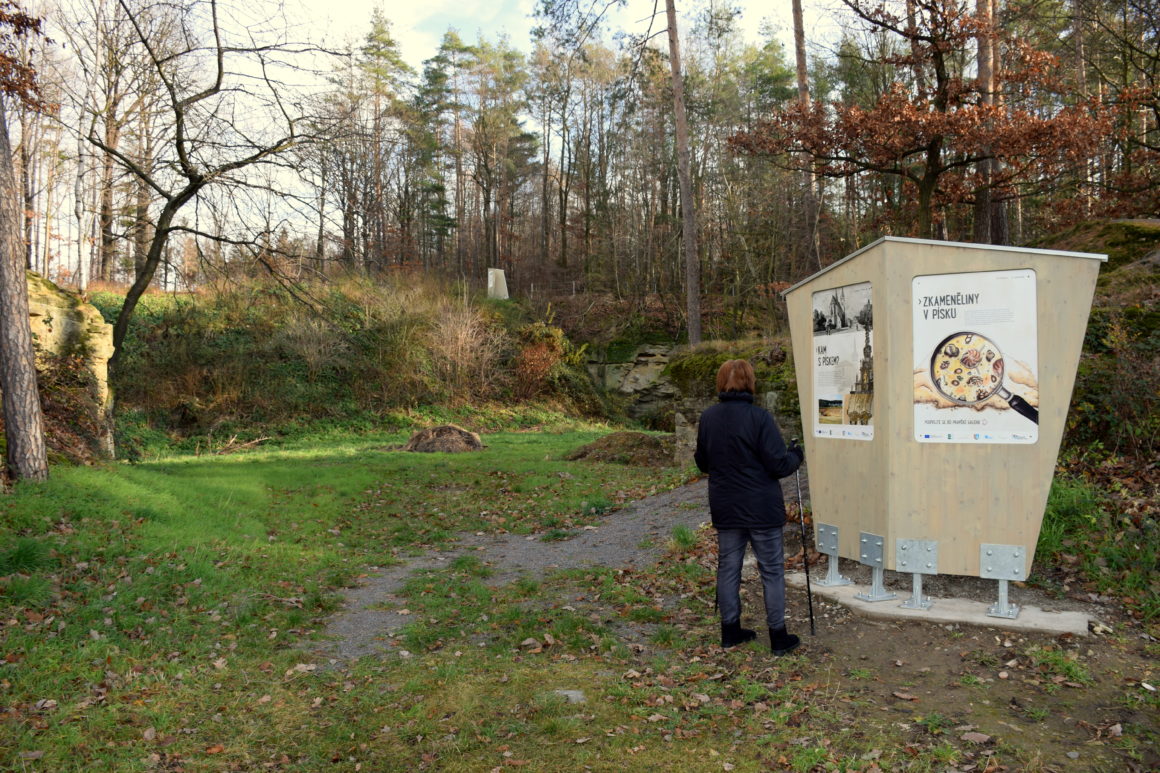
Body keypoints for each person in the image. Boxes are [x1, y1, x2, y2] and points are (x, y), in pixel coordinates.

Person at [694, 359, 805, 655]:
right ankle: (778, 636)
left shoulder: (709, 417)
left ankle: (730, 631)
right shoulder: (760, 418)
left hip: (726, 504)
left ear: (721, 383)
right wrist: (796, 454)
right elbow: (778, 465)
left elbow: (702, 462)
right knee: (771, 570)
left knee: (728, 567)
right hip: (761, 507)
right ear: (749, 382)